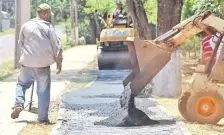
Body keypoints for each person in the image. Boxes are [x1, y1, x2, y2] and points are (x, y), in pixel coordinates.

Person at [10, 3, 63, 124]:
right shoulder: (48, 27)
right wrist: (59, 62)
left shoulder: (26, 25)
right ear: (45, 14)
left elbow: (21, 43)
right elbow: (56, 46)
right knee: (43, 91)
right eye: (48, 14)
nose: (48, 16)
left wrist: (30, 55)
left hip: (27, 63)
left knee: (22, 84)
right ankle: (43, 119)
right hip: (42, 65)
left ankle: (18, 104)